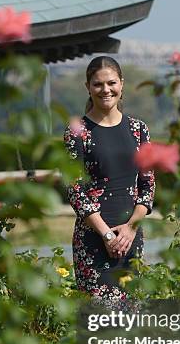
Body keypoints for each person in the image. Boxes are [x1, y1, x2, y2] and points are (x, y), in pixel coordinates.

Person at [64, 56, 155, 307]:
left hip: (131, 237)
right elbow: (75, 190)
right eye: (98, 84)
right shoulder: (76, 131)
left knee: (131, 317)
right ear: (88, 87)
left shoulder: (139, 129)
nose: (106, 90)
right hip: (93, 239)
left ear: (122, 84)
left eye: (111, 83)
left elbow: (147, 187)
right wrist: (107, 235)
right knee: (98, 321)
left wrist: (129, 229)